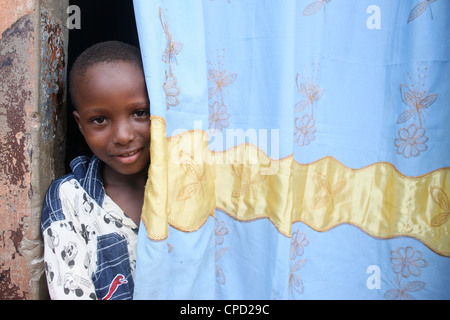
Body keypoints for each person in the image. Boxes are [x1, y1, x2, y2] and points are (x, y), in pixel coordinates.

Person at [41, 41, 150, 300]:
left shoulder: (190, 182)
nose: (123, 136)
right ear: (80, 124)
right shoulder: (69, 199)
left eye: (140, 113)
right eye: (99, 120)